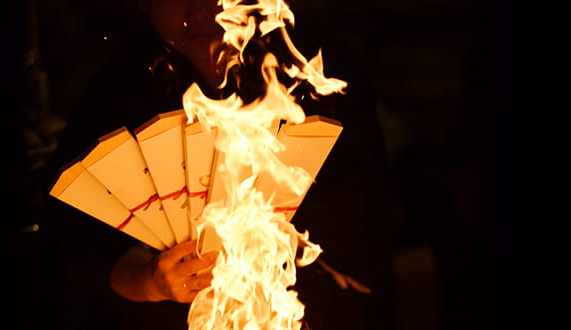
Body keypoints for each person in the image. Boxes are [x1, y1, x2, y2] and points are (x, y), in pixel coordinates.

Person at [35, 0, 397, 329]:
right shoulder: (119, 90)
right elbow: (69, 234)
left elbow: (366, 223)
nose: (201, 11)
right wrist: (144, 280)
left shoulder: (319, 75)